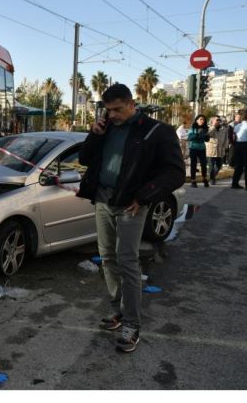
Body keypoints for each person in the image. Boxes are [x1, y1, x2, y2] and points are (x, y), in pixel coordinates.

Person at [77, 84, 184, 353]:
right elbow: (85, 159)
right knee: (107, 258)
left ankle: (132, 323)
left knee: (127, 262)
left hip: (131, 206)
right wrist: (94, 136)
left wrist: (145, 196)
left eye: (117, 109)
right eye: (108, 110)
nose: (112, 114)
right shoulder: (107, 128)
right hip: (103, 201)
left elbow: (174, 173)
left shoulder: (156, 131)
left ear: (132, 104)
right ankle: (118, 311)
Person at [187, 114, 210, 188]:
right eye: (200, 119)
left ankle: (204, 178)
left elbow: (207, 139)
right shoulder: (192, 128)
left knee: (204, 164)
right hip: (193, 148)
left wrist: (207, 137)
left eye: (203, 119)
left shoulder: (205, 128)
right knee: (193, 164)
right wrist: (197, 134)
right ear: (196, 120)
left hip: (202, 148)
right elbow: (190, 138)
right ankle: (193, 180)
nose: (202, 121)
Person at [205, 116, 229, 185]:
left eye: (219, 120)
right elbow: (208, 135)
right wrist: (214, 126)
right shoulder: (209, 128)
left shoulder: (224, 129)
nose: (218, 121)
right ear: (212, 121)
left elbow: (226, 138)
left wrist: (225, 146)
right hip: (211, 149)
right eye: (216, 120)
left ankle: (212, 177)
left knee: (219, 165)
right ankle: (212, 179)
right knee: (211, 166)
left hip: (220, 149)